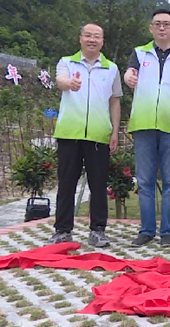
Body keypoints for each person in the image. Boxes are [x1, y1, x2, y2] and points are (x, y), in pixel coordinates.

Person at [124, 9, 170, 247]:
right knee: (144, 180)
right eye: (158, 24)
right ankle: (146, 230)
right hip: (143, 125)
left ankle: (167, 231)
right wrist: (128, 78)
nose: (162, 28)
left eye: (166, 24)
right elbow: (129, 74)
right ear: (150, 28)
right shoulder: (138, 53)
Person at [48, 23, 122, 247]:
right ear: (80, 39)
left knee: (98, 185)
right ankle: (62, 230)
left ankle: (98, 230)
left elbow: (115, 100)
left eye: (97, 36)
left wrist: (115, 131)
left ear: (102, 41)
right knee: (66, 183)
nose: (92, 40)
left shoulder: (111, 68)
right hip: (70, 133)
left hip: (99, 135)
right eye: (88, 35)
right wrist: (69, 83)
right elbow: (59, 81)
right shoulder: (67, 62)